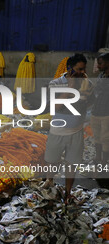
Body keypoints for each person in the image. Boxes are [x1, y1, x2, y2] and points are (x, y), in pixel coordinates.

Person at [44, 53, 95, 203]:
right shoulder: (55, 83)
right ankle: (49, 180)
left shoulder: (88, 84)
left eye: (84, 69)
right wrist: (70, 88)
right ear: (69, 69)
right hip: (57, 131)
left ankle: (68, 192)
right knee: (52, 160)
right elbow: (55, 107)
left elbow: (89, 104)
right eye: (79, 69)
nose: (82, 73)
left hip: (76, 132)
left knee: (72, 164)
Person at [91, 53, 109, 165]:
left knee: (106, 138)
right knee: (97, 136)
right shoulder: (101, 76)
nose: (98, 66)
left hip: (107, 113)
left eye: (100, 63)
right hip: (96, 111)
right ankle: (97, 157)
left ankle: (104, 160)